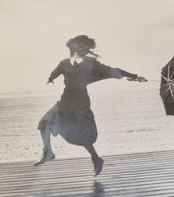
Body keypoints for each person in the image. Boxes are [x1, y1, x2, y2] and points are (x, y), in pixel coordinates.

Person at [36, 35, 147, 175]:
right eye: (73, 47)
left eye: (79, 47)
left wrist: (135, 76)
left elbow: (113, 71)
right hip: (65, 102)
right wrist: (50, 78)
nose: (75, 50)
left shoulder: (91, 64)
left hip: (80, 104)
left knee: (81, 135)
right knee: (43, 124)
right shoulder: (64, 63)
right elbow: (56, 72)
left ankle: (96, 159)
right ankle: (48, 152)